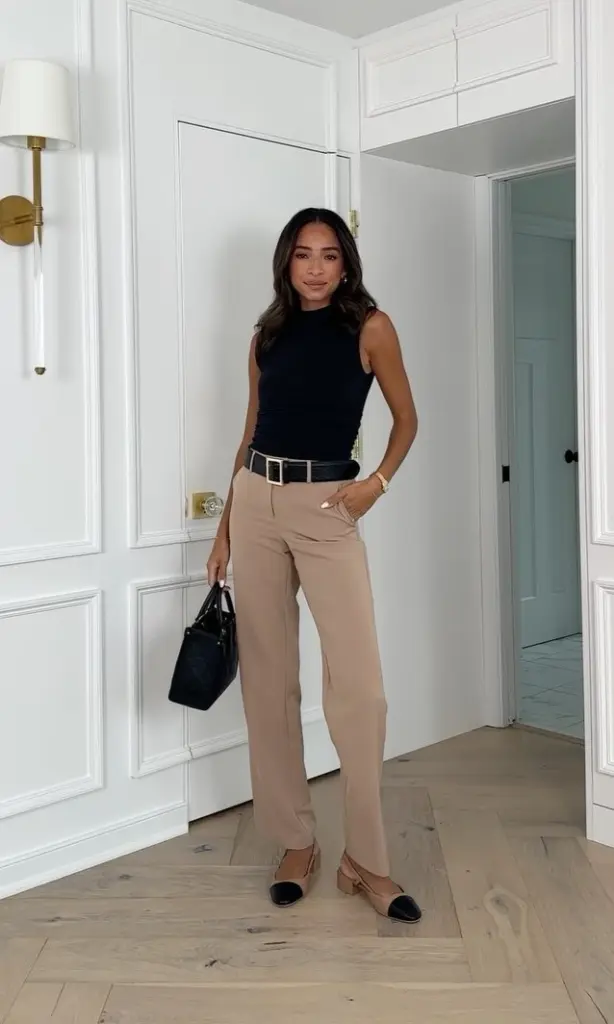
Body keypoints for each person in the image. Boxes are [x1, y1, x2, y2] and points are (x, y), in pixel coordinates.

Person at [207, 208, 420, 922]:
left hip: (332, 507)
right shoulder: (265, 335)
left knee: (361, 691)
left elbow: (407, 420)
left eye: (330, 255)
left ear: (347, 262)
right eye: (304, 255)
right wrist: (226, 529)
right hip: (256, 500)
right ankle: (297, 843)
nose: (317, 268)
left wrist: (374, 486)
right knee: (269, 682)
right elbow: (250, 428)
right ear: (286, 263)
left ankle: (367, 860)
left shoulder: (371, 328)